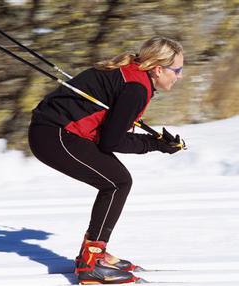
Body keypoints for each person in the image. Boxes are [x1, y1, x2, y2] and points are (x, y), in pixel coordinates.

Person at [28, 36, 184, 284]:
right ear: (158, 69)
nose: (179, 76)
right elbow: (111, 142)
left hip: (53, 131)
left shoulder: (132, 72)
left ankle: (92, 253)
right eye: (177, 70)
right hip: (54, 135)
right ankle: (92, 262)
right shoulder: (136, 88)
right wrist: (155, 144)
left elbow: (110, 130)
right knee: (117, 182)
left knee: (117, 180)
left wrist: (156, 143)